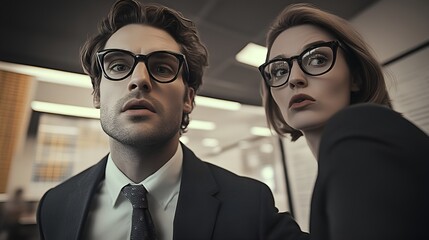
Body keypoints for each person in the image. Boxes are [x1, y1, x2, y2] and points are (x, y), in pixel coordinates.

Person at [37, 1, 309, 240]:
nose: (139, 80)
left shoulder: (250, 205)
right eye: (119, 66)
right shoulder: (55, 206)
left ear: (188, 98)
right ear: (97, 93)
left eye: (161, 68)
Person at [259, 3, 429, 240]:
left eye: (317, 59)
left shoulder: (362, 126)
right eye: (278, 71)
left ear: (356, 78)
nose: (294, 79)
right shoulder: (341, 169)